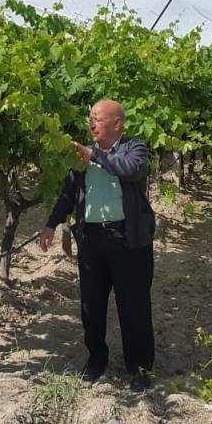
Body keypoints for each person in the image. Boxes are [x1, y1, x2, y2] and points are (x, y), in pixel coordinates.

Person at [39, 99, 156, 391]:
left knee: (134, 307)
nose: (91, 123)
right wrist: (51, 223)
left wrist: (95, 156)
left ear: (117, 123)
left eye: (97, 119)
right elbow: (69, 194)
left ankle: (140, 368)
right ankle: (96, 360)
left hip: (128, 241)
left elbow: (131, 170)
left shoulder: (134, 148)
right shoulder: (82, 158)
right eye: (90, 118)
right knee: (91, 305)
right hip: (92, 240)